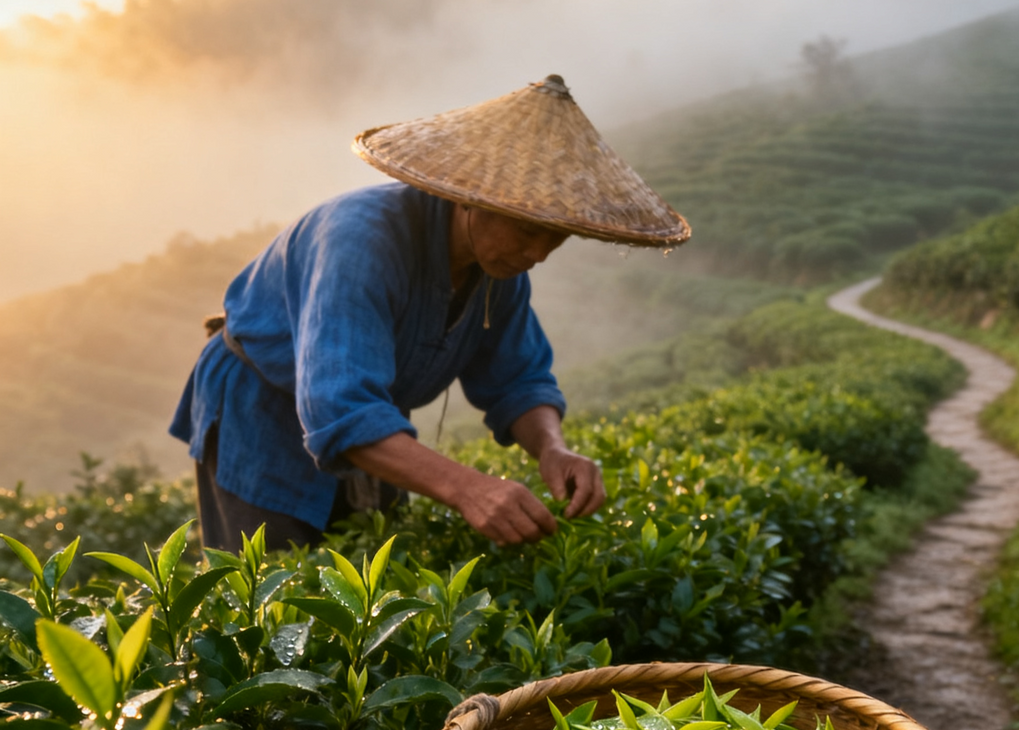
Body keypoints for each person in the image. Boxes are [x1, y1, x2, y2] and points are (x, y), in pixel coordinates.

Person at [170, 75, 690, 551]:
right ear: (470, 198)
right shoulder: (360, 243)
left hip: (375, 425)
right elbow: (342, 410)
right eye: (526, 230)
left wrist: (553, 449)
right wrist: (469, 488)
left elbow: (519, 380)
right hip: (261, 413)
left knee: (376, 587)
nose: (538, 253)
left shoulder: (499, 272)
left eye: (556, 236)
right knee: (274, 598)